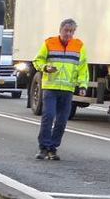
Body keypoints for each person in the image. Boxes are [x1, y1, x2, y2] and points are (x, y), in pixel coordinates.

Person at [32, 18, 88, 161]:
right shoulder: (49, 43)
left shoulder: (79, 46)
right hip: (50, 87)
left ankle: (53, 148)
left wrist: (82, 85)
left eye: (71, 31)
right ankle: (43, 147)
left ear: (74, 32)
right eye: (66, 30)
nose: (68, 34)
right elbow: (37, 60)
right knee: (48, 116)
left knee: (62, 120)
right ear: (60, 30)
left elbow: (83, 68)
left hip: (68, 89)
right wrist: (45, 68)